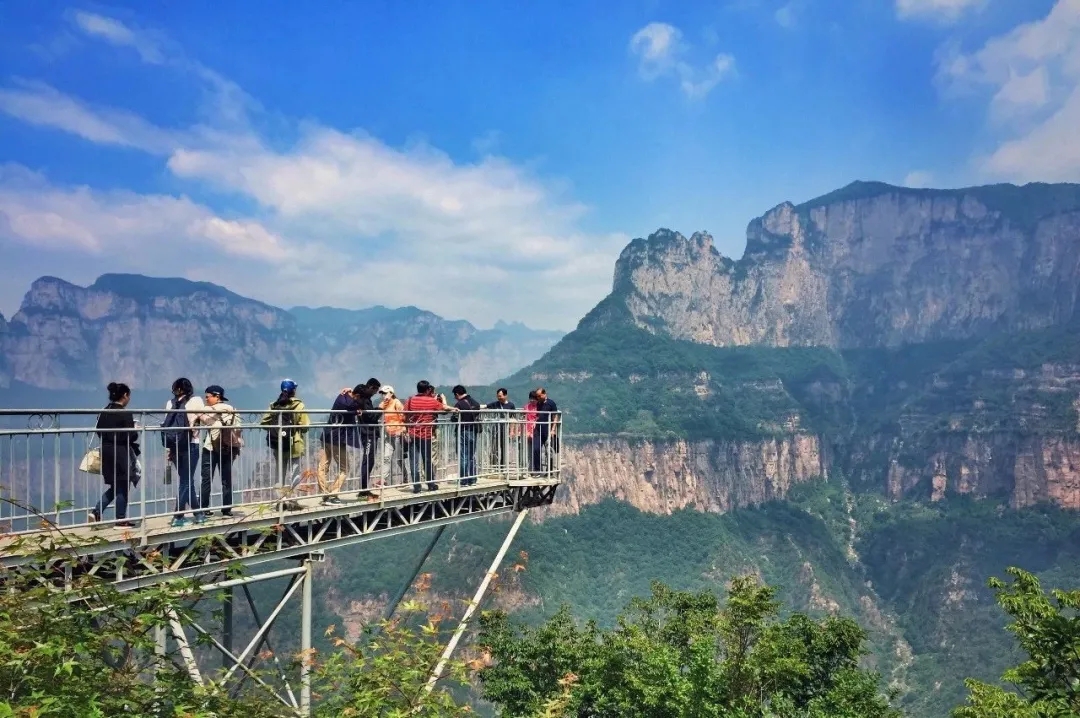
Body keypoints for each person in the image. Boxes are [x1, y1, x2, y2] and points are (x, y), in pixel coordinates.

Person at [92, 382, 139, 527]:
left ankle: (96, 512)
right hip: (120, 452)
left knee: (116, 486)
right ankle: (120, 519)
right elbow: (131, 436)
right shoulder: (124, 413)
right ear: (125, 395)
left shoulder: (105, 411)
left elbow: (99, 431)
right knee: (123, 485)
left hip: (106, 451)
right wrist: (135, 430)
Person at [260, 379, 310, 511]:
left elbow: (264, 423)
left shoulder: (274, 405)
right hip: (295, 444)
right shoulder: (299, 405)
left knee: (280, 473)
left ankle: (280, 501)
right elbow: (305, 427)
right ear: (294, 390)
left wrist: (276, 429)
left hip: (279, 444)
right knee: (295, 473)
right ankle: (293, 501)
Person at [163, 377, 205, 527]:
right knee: (186, 481)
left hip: (174, 446)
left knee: (187, 481)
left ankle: (198, 513)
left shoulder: (170, 403)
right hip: (191, 444)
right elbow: (204, 418)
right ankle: (178, 516)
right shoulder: (196, 401)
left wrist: (169, 449)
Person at [197, 385, 241, 517]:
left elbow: (202, 419)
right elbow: (238, 429)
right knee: (226, 479)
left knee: (206, 479)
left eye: (208, 396)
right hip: (227, 448)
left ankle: (203, 508)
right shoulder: (232, 409)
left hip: (210, 447)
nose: (206, 399)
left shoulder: (207, 410)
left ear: (217, 396)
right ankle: (227, 509)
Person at [404, 380, 452, 493]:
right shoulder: (431, 401)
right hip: (426, 434)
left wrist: (407, 429)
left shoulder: (410, 400)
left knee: (413, 461)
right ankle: (430, 484)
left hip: (412, 433)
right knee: (427, 460)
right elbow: (444, 410)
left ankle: (416, 486)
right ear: (427, 390)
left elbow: (405, 414)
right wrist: (452, 407)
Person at [319, 385, 361, 505]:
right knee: (345, 467)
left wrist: (348, 392)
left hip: (326, 436)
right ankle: (333, 494)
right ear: (357, 396)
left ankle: (324, 494)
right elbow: (353, 406)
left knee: (323, 467)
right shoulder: (351, 405)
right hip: (337, 439)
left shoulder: (341, 398)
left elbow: (351, 404)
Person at [354, 377, 382, 499]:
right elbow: (370, 417)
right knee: (368, 460)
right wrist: (380, 409)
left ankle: (365, 489)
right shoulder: (364, 400)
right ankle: (364, 490)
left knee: (369, 460)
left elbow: (368, 414)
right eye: (375, 390)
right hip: (368, 433)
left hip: (368, 432)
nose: (375, 393)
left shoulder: (364, 399)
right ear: (371, 387)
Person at [378, 385, 408, 486]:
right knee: (387, 457)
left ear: (391, 393)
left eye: (385, 393)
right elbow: (380, 410)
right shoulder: (385, 404)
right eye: (382, 394)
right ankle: (383, 480)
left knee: (399, 459)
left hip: (398, 434)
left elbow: (403, 416)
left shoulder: (397, 402)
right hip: (389, 434)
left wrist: (403, 430)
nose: (383, 396)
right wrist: (384, 402)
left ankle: (405, 477)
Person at [451, 385, 481, 486]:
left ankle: (464, 480)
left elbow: (454, 418)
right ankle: (472, 480)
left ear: (457, 394)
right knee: (471, 456)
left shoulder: (459, 404)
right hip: (473, 430)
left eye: (455, 396)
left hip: (463, 431)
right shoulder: (475, 403)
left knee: (463, 455)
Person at [484, 388, 516, 473]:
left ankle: (503, 467)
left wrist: (511, 431)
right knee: (495, 448)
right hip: (495, 430)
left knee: (504, 448)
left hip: (505, 430)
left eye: (500, 396)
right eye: (498, 396)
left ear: (505, 395)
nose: (499, 398)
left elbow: (513, 419)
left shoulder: (511, 405)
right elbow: (485, 406)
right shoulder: (495, 404)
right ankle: (495, 466)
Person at [531, 387, 559, 475]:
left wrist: (553, 430)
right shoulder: (538, 403)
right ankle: (537, 470)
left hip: (547, 430)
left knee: (549, 451)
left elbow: (555, 417)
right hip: (538, 430)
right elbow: (536, 415)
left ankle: (549, 471)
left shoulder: (551, 403)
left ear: (544, 394)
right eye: (537, 396)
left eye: (539, 396)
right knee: (536, 449)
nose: (537, 398)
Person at [524, 390, 539, 473]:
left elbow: (538, 418)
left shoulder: (539, 407)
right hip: (527, 431)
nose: (532, 400)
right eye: (531, 399)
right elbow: (524, 418)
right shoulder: (526, 407)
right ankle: (528, 469)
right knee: (528, 451)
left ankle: (535, 469)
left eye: (534, 399)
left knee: (535, 450)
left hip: (536, 432)